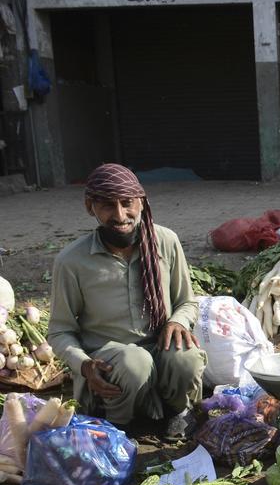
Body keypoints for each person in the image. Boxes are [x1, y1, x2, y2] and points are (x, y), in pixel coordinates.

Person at [48, 163, 206, 439]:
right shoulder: (72, 261)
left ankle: (179, 412)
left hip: (159, 349)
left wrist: (178, 321)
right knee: (135, 361)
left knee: (186, 356)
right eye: (108, 205)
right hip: (111, 363)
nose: (120, 215)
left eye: (127, 203)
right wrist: (85, 365)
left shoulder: (165, 241)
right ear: (90, 207)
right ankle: (119, 424)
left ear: (142, 203)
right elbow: (60, 331)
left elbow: (187, 302)